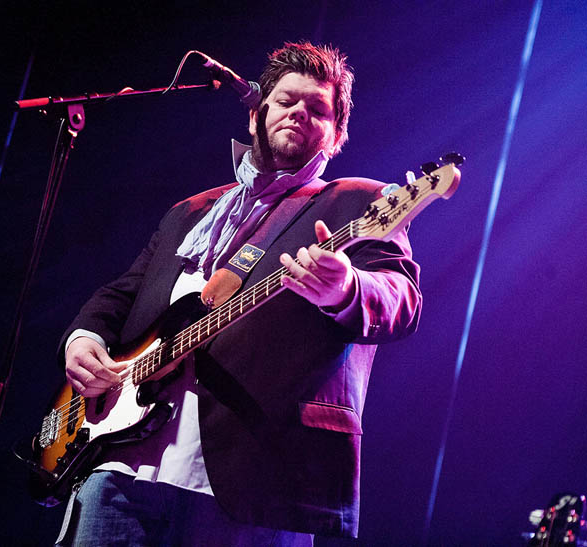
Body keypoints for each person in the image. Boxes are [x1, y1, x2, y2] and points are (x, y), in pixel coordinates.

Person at [56, 41, 422, 545]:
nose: (300, 113)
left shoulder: (358, 201)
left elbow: (400, 299)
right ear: (256, 115)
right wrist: (82, 340)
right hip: (118, 470)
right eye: (287, 100)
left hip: (255, 485)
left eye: (318, 109)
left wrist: (347, 288)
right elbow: (121, 295)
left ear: (336, 136)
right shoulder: (190, 211)